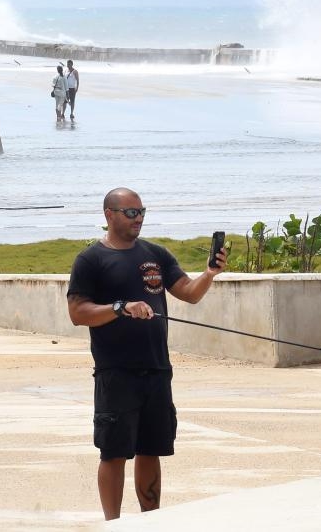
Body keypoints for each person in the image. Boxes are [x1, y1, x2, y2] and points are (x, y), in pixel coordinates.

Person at [67, 187, 227, 521]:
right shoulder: (91, 260)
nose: (137, 218)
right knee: (113, 452)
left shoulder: (156, 254)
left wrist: (209, 274)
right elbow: (78, 312)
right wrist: (120, 307)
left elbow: (188, 293)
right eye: (130, 212)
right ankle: (113, 524)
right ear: (109, 215)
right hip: (117, 371)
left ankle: (150, 522)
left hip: (156, 369)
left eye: (141, 212)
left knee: (151, 449)